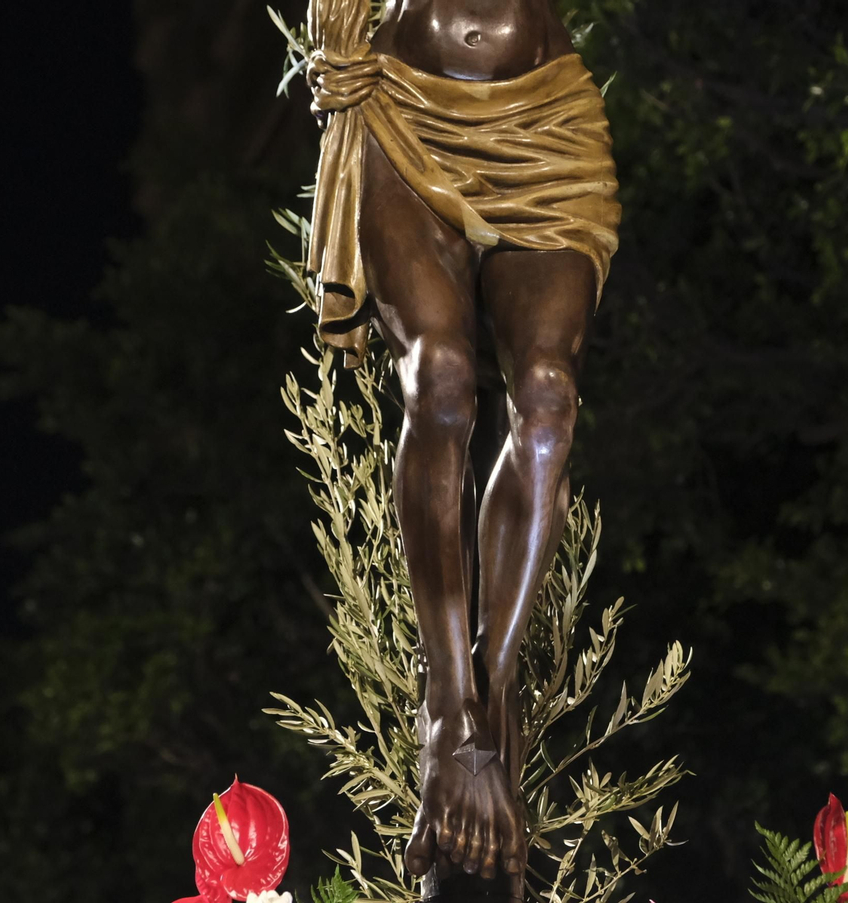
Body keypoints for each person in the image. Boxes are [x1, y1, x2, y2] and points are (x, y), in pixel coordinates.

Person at [305, 0, 621, 893]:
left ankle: (496, 692)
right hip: (408, 108)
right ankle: (449, 712)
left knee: (549, 400)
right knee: (439, 376)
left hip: (544, 119)